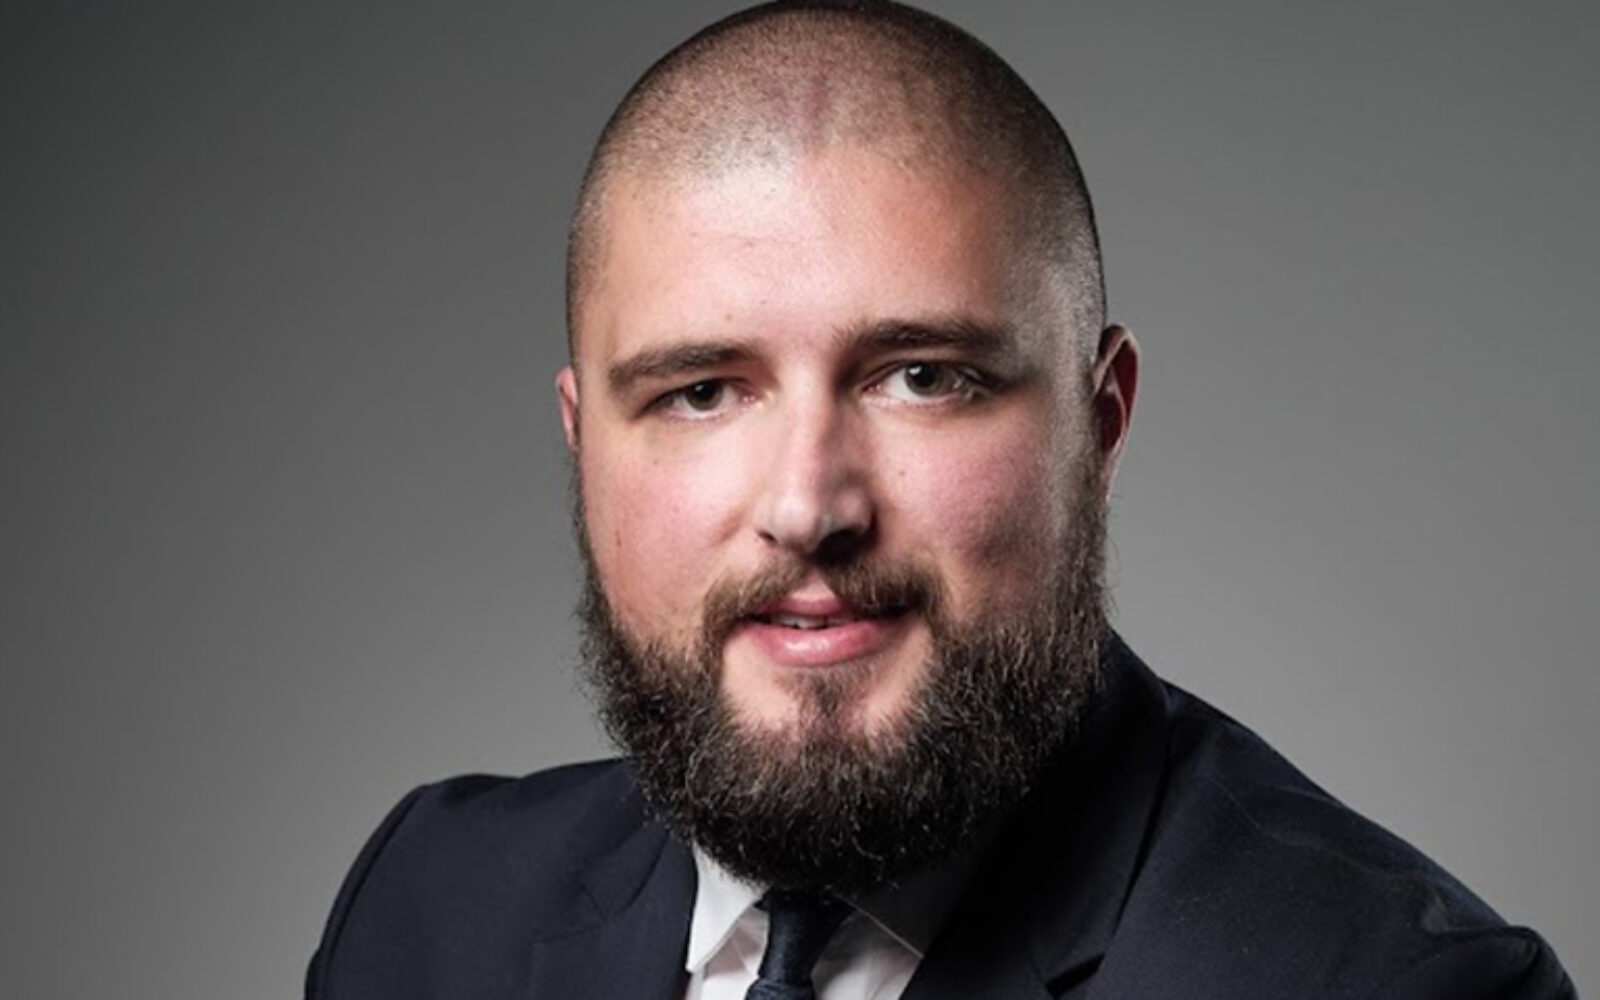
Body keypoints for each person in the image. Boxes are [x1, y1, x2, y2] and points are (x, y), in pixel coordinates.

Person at [306, 2, 1576, 997]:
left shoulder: (1394, 984)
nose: (809, 504)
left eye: (922, 376)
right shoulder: (428, 907)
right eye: (700, 392)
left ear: (1099, 424)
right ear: (583, 445)